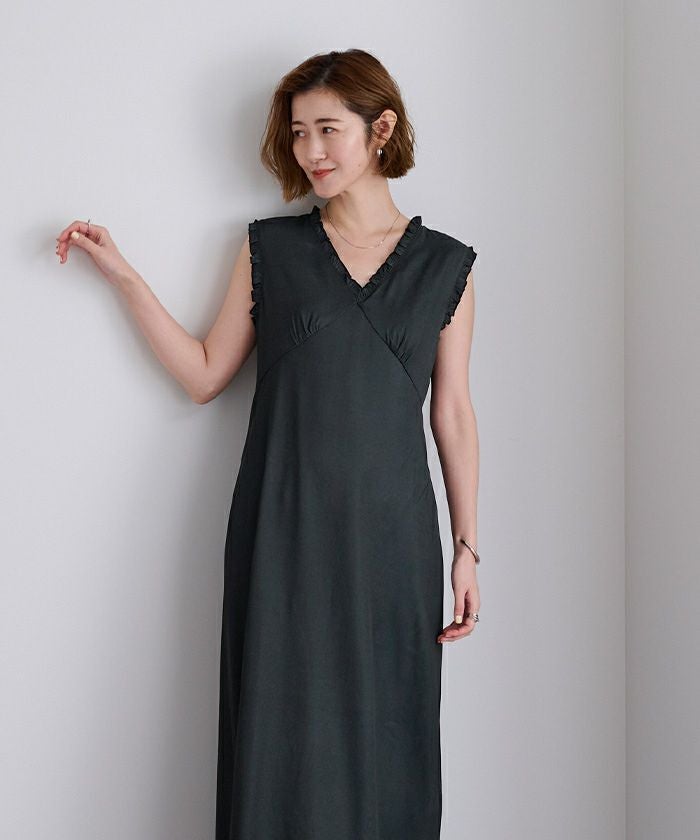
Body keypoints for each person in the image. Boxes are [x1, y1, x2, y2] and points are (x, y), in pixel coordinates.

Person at [55, 47, 481, 840]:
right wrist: (124, 277)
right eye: (297, 132)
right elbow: (205, 374)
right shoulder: (270, 251)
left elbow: (452, 413)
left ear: (381, 129)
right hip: (284, 533)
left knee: (392, 740)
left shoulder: (446, 267)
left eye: (327, 129)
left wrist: (466, 549)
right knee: (281, 740)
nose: (309, 150)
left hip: (394, 544)